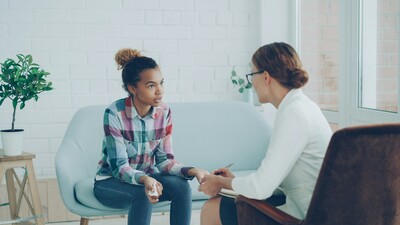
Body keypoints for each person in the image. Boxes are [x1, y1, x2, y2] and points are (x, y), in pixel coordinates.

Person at [199, 42, 333, 225]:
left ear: (265, 77)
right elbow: (274, 180)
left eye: (251, 75)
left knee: (212, 209)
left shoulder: (293, 114)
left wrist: (221, 183)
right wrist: (235, 181)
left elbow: (261, 188)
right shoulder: (302, 106)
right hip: (315, 206)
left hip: (306, 215)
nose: (251, 83)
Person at [93, 48, 209, 225]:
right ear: (133, 88)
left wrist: (192, 170)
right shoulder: (114, 113)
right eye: (151, 85)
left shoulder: (165, 112)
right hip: (110, 182)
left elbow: (164, 161)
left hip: (148, 178)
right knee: (143, 192)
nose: (159, 91)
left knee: (182, 187)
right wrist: (145, 179)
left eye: (161, 83)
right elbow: (119, 168)